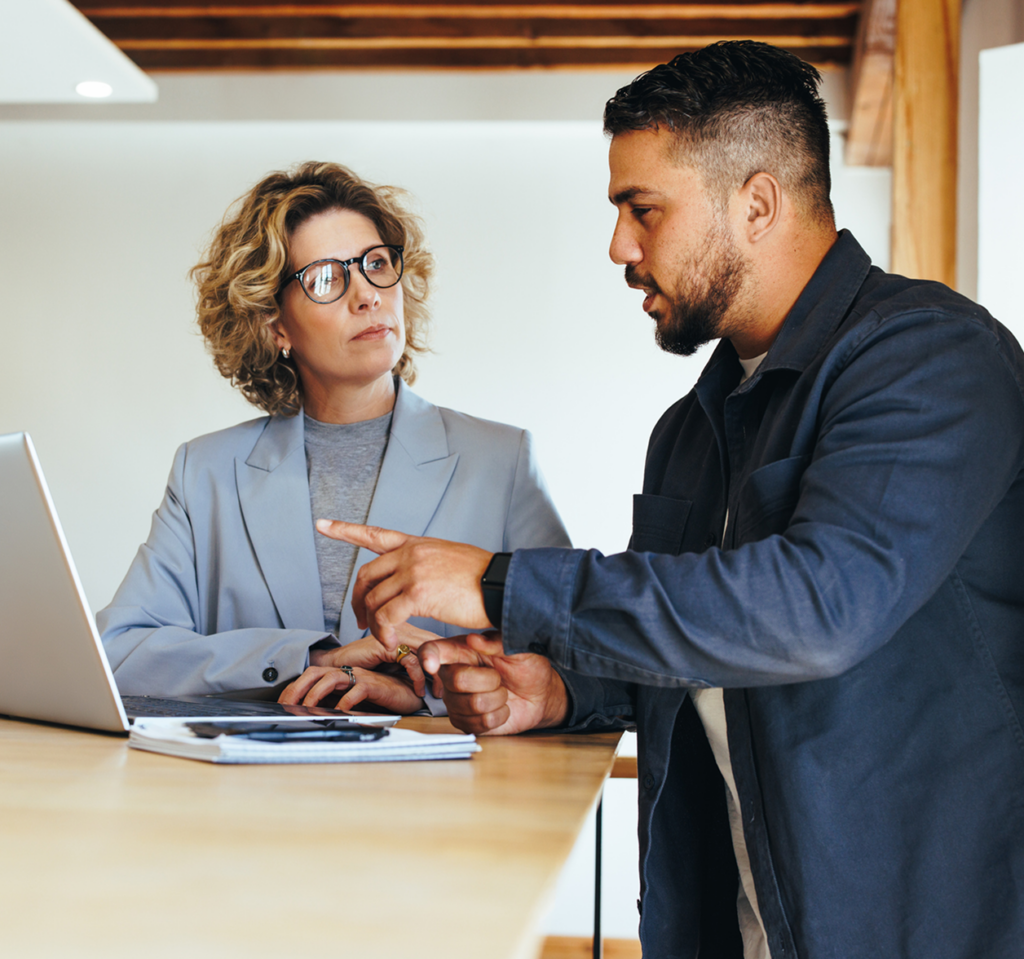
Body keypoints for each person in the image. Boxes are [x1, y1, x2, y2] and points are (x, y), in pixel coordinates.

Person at [316, 42, 1024, 959]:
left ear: (757, 204)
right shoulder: (691, 428)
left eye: (641, 209)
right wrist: (558, 686)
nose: (619, 246)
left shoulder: (933, 361)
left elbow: (814, 610)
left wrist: (498, 585)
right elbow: (705, 636)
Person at [97, 161, 569, 716]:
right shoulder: (205, 471)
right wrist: (311, 658)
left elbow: (572, 662)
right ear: (274, 324)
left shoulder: (502, 460)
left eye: (376, 264)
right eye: (327, 278)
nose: (367, 295)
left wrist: (421, 694)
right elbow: (120, 653)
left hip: (436, 793)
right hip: (252, 792)